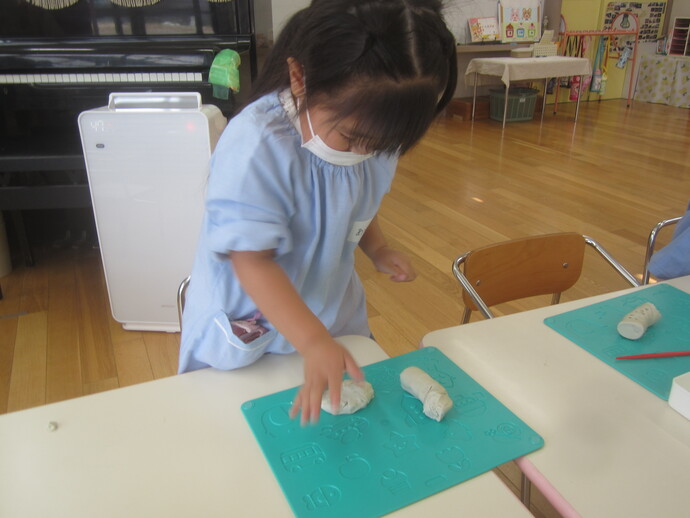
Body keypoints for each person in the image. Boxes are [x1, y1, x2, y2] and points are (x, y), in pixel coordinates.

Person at [178, 0, 458, 425]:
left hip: (329, 308)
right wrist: (311, 341)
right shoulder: (257, 146)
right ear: (299, 78)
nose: (366, 153)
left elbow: (357, 202)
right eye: (352, 136)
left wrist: (378, 248)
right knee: (239, 433)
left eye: (382, 145)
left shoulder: (376, 135)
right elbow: (251, 261)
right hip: (254, 324)